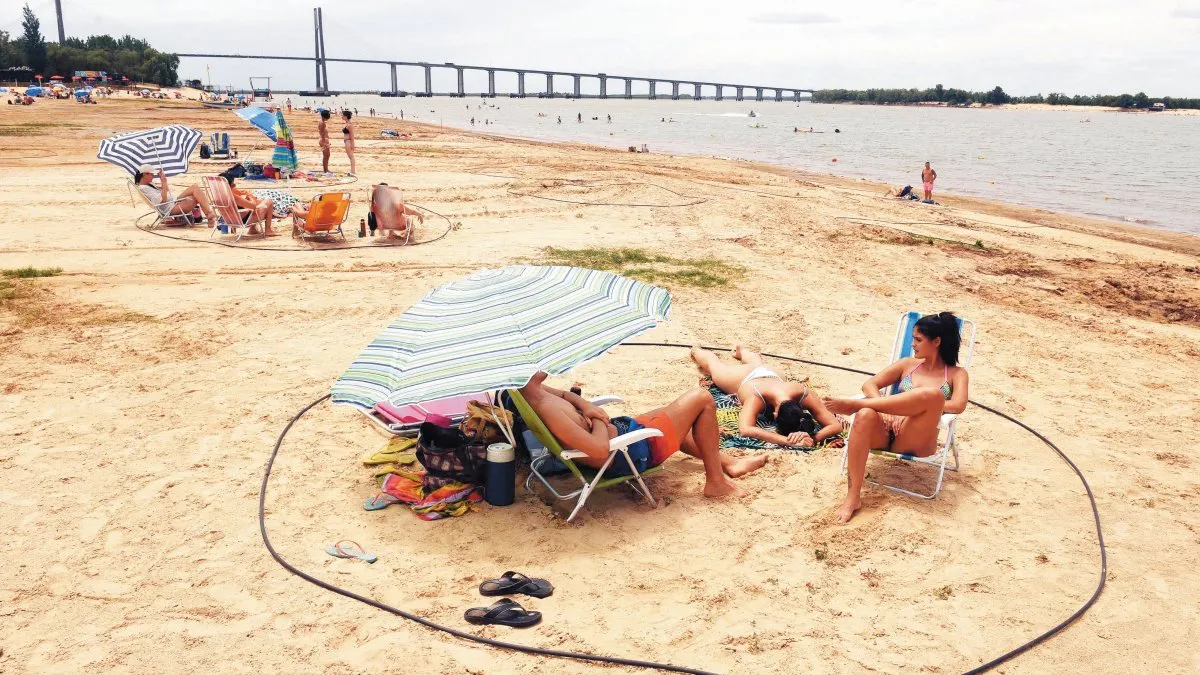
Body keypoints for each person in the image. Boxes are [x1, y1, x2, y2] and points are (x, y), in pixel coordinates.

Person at [519, 371, 768, 498]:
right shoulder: (548, 411)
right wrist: (597, 418)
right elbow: (598, 450)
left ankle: (729, 463)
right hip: (632, 452)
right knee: (702, 399)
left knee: (678, 417)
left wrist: (587, 406)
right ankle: (716, 483)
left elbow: (565, 395)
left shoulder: (533, 393)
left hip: (625, 434)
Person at [823, 312, 969, 523]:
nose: (913, 344)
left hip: (915, 437)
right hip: (885, 429)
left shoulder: (957, 374)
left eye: (918, 340)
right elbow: (869, 384)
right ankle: (853, 497)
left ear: (936, 342)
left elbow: (958, 405)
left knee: (932, 396)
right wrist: (884, 407)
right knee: (865, 415)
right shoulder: (907, 364)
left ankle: (856, 404)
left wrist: (918, 406)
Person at [691, 345, 842, 448]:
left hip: (771, 372)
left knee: (757, 363)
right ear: (775, 415)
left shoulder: (800, 391)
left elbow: (836, 425)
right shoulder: (757, 397)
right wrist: (786, 441)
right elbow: (745, 429)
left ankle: (743, 352)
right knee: (713, 365)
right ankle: (697, 350)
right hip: (746, 379)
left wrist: (813, 437)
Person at [134, 165, 216, 224]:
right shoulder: (144, 188)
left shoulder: (149, 184)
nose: (153, 176)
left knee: (195, 187)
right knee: (195, 197)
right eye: (152, 174)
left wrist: (164, 182)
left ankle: (208, 214)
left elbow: (166, 192)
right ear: (144, 174)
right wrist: (163, 182)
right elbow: (164, 200)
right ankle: (209, 214)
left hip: (174, 202)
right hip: (170, 208)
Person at [219, 171, 278, 236]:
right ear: (228, 185)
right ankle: (268, 230)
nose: (234, 185)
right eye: (233, 183)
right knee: (268, 201)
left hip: (228, 220)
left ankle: (253, 229)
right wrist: (250, 195)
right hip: (242, 221)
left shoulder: (217, 195)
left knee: (250, 201)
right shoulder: (233, 197)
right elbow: (253, 206)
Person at [341, 110, 357, 176]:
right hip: (346, 141)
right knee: (350, 156)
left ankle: (353, 171)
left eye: (343, 115)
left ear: (346, 116)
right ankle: (352, 170)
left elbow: (352, 135)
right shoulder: (347, 124)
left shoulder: (350, 125)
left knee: (351, 156)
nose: (342, 116)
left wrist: (353, 145)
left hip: (348, 141)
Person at [317, 109, 331, 175]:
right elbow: (322, 133)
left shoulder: (321, 122)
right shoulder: (322, 123)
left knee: (326, 156)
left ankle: (326, 169)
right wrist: (325, 142)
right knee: (326, 156)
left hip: (323, 140)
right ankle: (326, 170)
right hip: (323, 140)